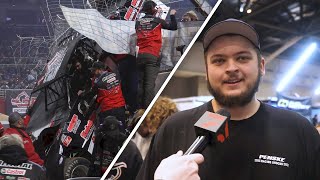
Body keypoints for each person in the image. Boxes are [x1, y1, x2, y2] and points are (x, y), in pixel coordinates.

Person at [136, 18, 320, 180]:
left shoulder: (299, 131)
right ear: (206, 71)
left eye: (242, 58)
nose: (231, 68)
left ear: (261, 66)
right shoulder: (174, 128)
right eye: (219, 60)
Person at [135, 1, 177, 109]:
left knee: (141, 83)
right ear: (153, 9)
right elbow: (173, 27)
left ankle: (139, 110)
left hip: (139, 55)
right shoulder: (157, 21)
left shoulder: (138, 22)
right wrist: (172, 15)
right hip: (152, 54)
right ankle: (148, 111)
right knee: (149, 85)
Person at [90, 61, 127, 133]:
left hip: (108, 109)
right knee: (122, 129)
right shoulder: (115, 75)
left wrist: (83, 93)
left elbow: (92, 94)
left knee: (106, 131)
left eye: (94, 70)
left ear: (99, 69)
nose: (93, 72)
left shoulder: (97, 82)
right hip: (120, 106)